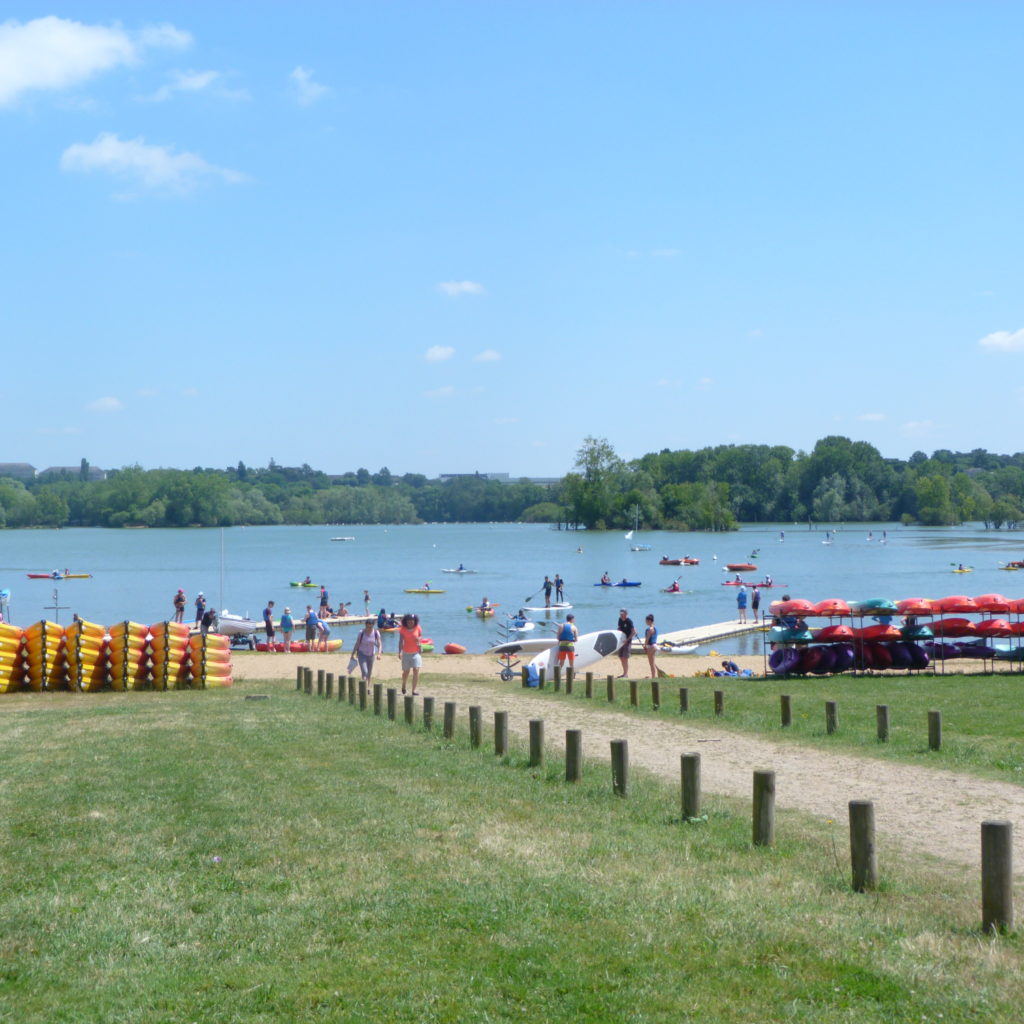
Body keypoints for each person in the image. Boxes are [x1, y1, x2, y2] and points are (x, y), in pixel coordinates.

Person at [398, 612, 422, 696]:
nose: (411, 623)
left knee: (416, 670)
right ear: (406, 622)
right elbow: (401, 641)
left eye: (412, 621)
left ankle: (413, 690)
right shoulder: (403, 629)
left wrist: (420, 644)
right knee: (406, 672)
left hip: (416, 653)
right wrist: (400, 652)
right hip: (406, 653)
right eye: (409, 621)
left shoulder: (418, 628)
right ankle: (404, 685)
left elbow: (420, 637)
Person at [355, 618, 382, 683]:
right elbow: (357, 643)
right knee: (365, 672)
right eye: (367, 626)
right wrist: (354, 653)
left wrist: (379, 654)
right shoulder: (361, 632)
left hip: (371, 655)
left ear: (373, 625)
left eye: (370, 626)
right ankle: (363, 687)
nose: (369, 628)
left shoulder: (376, 633)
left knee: (369, 673)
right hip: (361, 654)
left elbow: (379, 644)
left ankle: (368, 687)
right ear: (365, 625)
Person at [616, 608, 635, 677]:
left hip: (627, 641)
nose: (621, 615)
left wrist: (627, 640)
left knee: (625, 657)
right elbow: (619, 628)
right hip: (621, 641)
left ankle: (626, 674)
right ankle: (624, 673)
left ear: (626, 614)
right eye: (620, 614)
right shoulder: (620, 620)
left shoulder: (629, 621)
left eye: (622, 614)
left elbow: (633, 632)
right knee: (621, 657)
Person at [643, 614, 658, 678]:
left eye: (646, 621)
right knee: (652, 662)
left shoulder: (650, 629)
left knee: (651, 663)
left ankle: (653, 676)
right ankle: (653, 675)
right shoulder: (655, 628)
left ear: (649, 621)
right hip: (654, 646)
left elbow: (647, 638)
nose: (645, 622)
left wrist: (644, 645)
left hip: (650, 646)